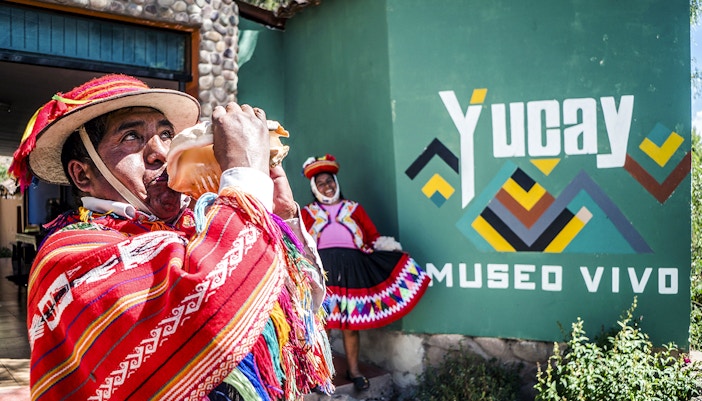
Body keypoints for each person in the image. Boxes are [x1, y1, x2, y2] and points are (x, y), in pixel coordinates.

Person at [9, 74, 334, 400]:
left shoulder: (201, 225)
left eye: (166, 134)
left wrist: (280, 215)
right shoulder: (67, 256)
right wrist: (245, 178)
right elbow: (203, 314)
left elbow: (288, 307)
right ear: (83, 174)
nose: (161, 153)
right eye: (132, 137)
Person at [300, 154, 431, 391]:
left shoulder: (354, 209)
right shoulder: (308, 212)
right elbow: (301, 242)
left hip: (353, 271)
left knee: (351, 325)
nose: (327, 186)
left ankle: (354, 371)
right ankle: (320, 375)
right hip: (323, 272)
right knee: (323, 325)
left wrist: (390, 252)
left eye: (330, 181)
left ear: (336, 183)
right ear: (314, 188)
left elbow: (372, 236)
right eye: (321, 184)